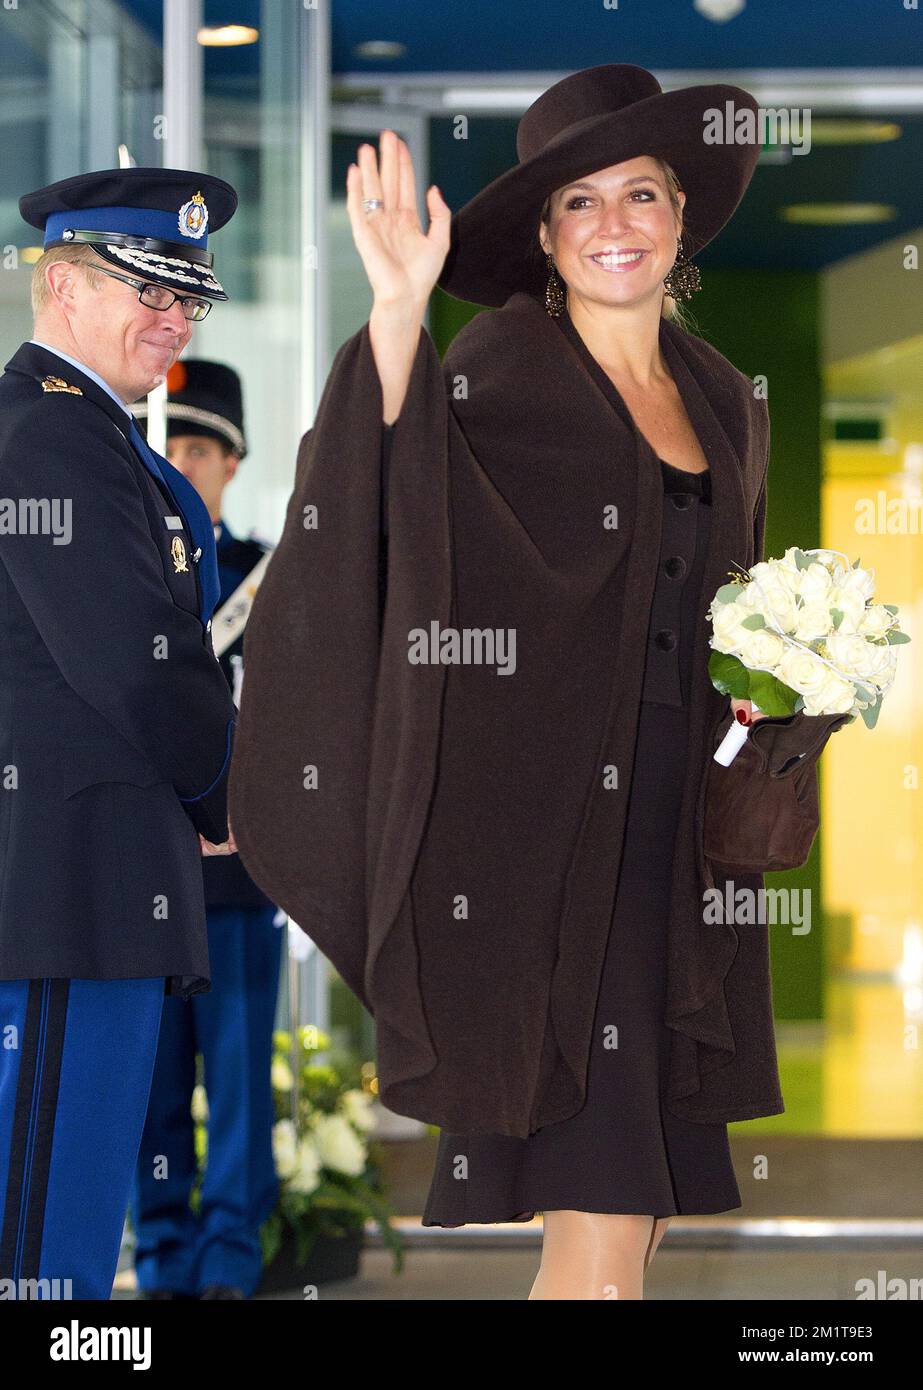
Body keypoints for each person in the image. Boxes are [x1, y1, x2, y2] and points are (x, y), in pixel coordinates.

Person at [229, 65, 815, 1302]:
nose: (613, 225)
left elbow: (725, 611)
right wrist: (397, 312)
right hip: (549, 844)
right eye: (579, 203)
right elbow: (386, 499)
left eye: (639, 195)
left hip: (680, 849)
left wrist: (801, 675)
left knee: (638, 1209)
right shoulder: (502, 365)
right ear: (546, 239)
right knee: (597, 1214)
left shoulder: (719, 398)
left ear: (679, 220)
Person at [0, 168, 240, 1300]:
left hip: (83, 889)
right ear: (58, 284)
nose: (174, 317)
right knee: (45, 1231)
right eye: (145, 288)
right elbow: (138, 660)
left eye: (189, 296)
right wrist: (227, 797)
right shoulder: (55, 437)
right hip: (65, 894)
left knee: (65, 1215)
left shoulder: (81, 432)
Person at [129, 361, 283, 1301]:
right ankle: (159, 1263)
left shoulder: (272, 581)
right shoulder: (114, 576)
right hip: (138, 876)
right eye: (165, 446)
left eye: (198, 447)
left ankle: (228, 1267)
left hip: (236, 879)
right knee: (145, 1087)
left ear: (232, 463)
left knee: (236, 1084)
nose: (180, 463)